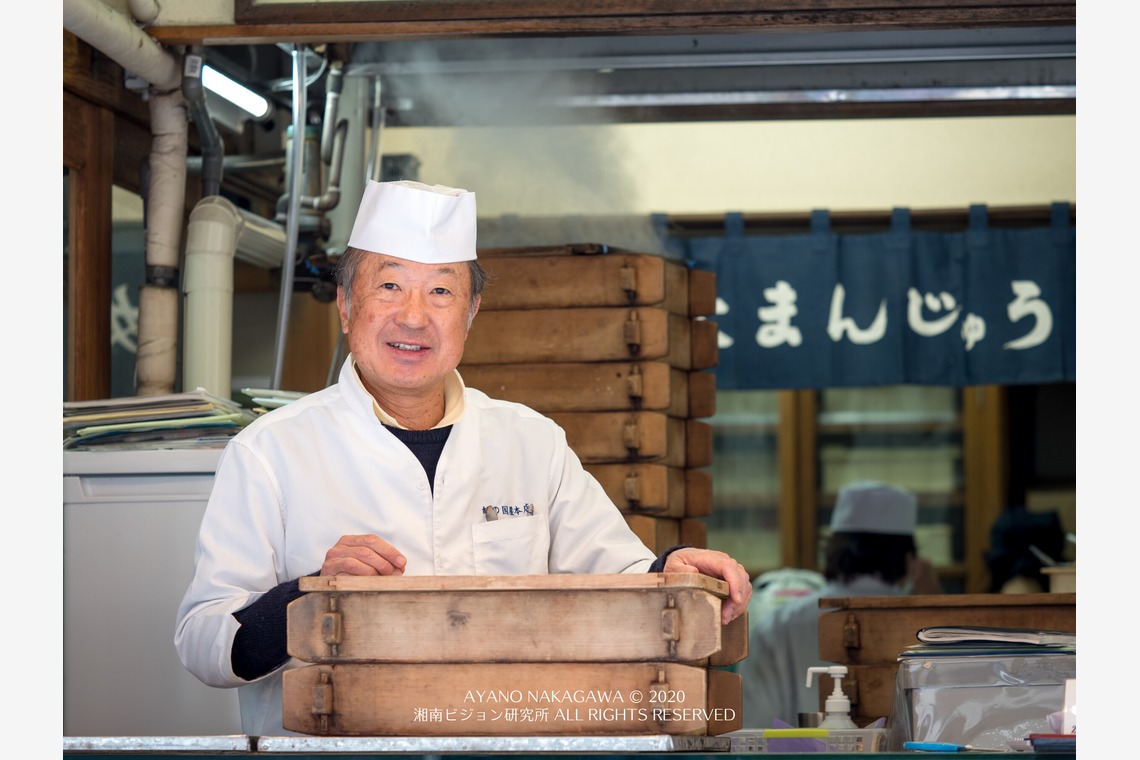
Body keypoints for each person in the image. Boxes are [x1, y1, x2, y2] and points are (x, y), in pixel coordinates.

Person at [173, 179, 752, 737]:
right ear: (346, 306)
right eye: (389, 286)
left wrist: (674, 571)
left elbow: (617, 578)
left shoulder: (531, 441)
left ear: (471, 313)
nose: (414, 316)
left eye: (441, 292)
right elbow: (204, 642)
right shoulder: (271, 450)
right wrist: (309, 595)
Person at [740, 480, 941, 728]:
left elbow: (753, 727)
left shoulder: (778, 625)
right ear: (909, 559)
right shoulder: (929, 631)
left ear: (832, 549)